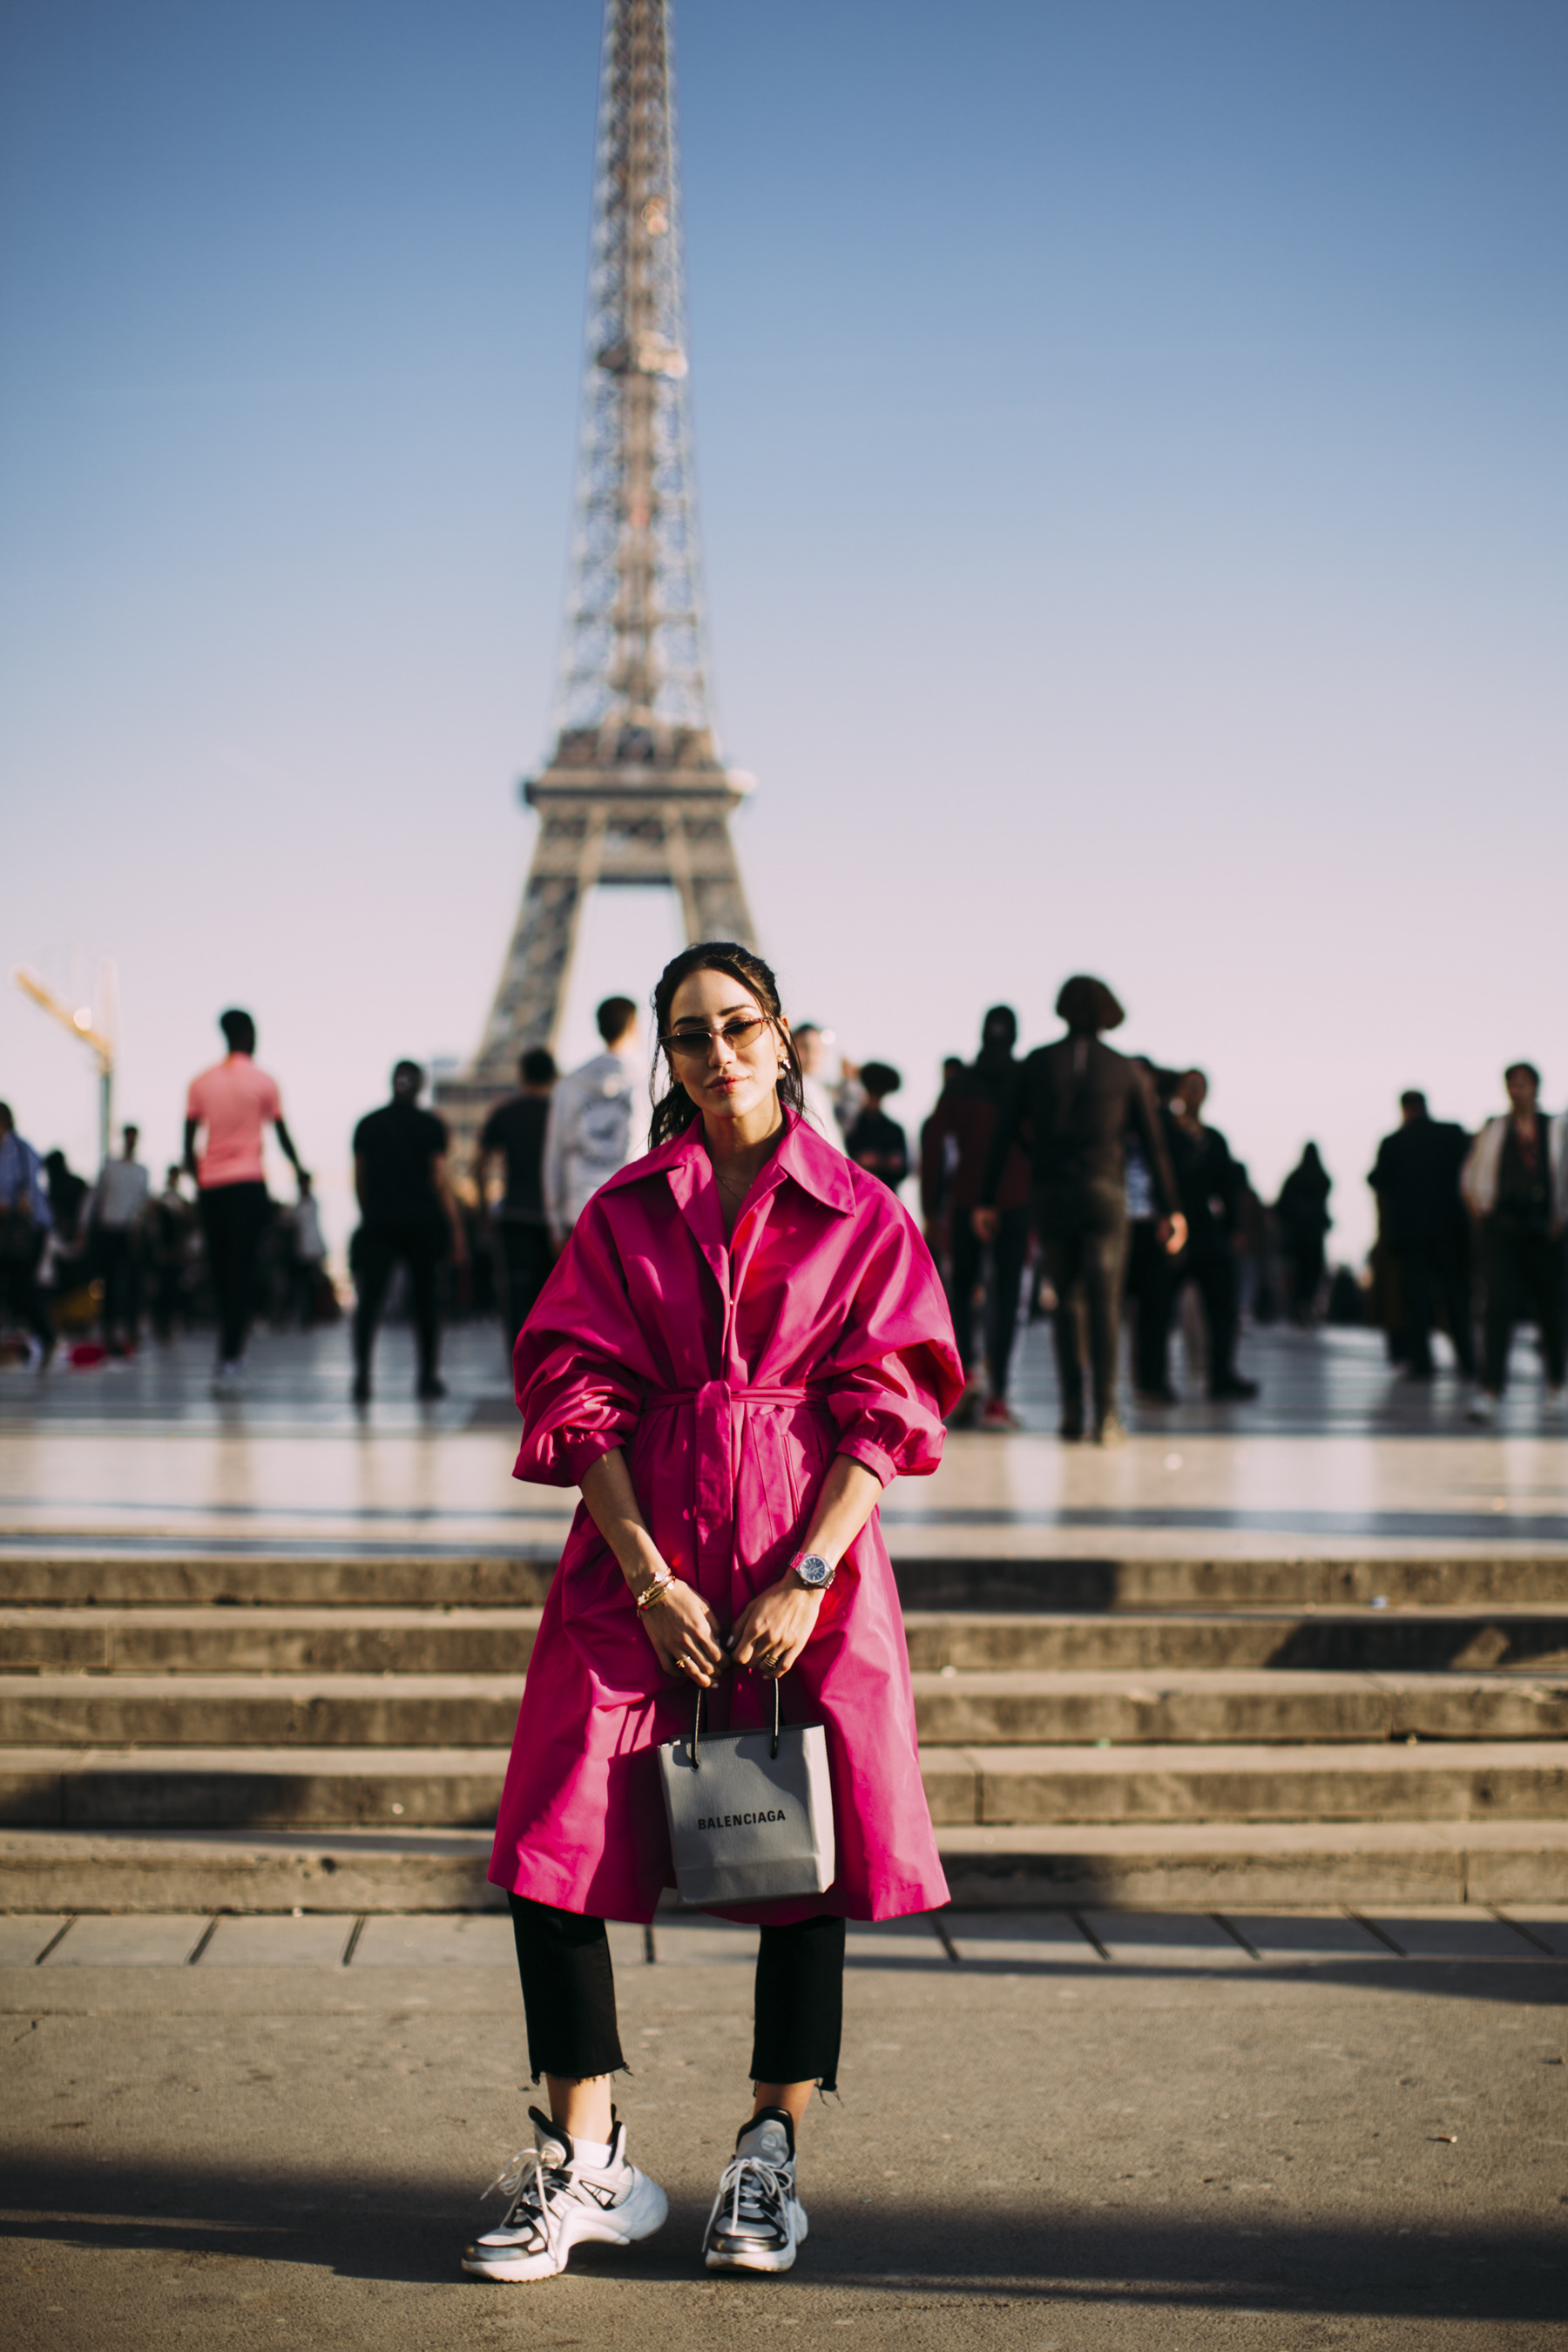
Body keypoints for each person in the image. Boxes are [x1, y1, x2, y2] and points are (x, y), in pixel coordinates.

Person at [467, 940, 962, 2286]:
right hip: (645, 1556)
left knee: (800, 1850)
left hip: (808, 1554)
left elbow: (895, 1403)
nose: (719, 1052)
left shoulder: (863, 1209)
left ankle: (769, 2152)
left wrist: (809, 1573)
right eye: (691, 1035)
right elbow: (573, 1395)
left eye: (740, 1026)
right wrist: (647, 1574)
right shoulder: (626, 1211)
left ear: (785, 1035)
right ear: (668, 1059)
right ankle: (590, 2157)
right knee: (551, 1838)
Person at [976, 976, 1183, 1444]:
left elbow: (1004, 1132)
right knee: (1105, 1303)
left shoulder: (1036, 1064)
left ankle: (1072, 1411)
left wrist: (987, 1198)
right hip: (1104, 1193)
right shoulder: (1124, 1070)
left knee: (1067, 1300)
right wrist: (1172, 1209)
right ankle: (1107, 1414)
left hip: (1050, 1193)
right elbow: (1154, 1146)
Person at [920, 1007, 1032, 1429]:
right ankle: (999, 1396)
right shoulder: (1024, 1080)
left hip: (965, 1203)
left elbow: (934, 1146)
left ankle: (966, 1383)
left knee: (961, 1298)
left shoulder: (961, 1082)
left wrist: (932, 1209)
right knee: (1006, 1303)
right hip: (1017, 1203)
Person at [185, 1009, 307, 1396]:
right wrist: (300, 1169)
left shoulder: (200, 1082)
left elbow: (187, 1144)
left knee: (220, 1272)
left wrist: (199, 1183)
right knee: (245, 1269)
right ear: (248, 1034)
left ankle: (228, 1349)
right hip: (249, 1185)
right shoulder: (264, 1081)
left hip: (213, 1188)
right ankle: (232, 1355)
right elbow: (282, 1134)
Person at [351, 1062, 469, 1403]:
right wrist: (457, 1230)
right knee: (427, 1303)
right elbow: (440, 1180)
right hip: (423, 1222)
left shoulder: (367, 1124)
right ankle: (428, 1377)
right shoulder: (431, 1125)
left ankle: (362, 1377)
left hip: (378, 1223)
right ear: (421, 1087)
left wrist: (369, 1212)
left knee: (369, 1303)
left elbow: (359, 1177)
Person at [1461, 1063, 1567, 1422]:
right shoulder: (1495, 1129)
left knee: (1550, 1308)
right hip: (1503, 1228)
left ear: (1536, 1087)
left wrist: (1561, 1217)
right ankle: (1491, 1388)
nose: (1517, 1091)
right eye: (1512, 1084)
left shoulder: (1554, 1129)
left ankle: (1557, 1382)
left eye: (1524, 1084)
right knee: (1497, 1307)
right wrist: (1480, 1210)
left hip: (1544, 1229)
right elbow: (1471, 1176)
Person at [1368, 1092, 1475, 1382]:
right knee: (1455, 1296)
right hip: (1449, 1231)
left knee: (1416, 1299)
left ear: (1404, 1109)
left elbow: (1377, 1179)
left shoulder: (1394, 1142)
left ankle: (1422, 1362)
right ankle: (1467, 1359)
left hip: (1411, 1234)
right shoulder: (1451, 1134)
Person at [1169, 1072, 1260, 1401]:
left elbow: (1228, 1189)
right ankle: (1156, 1378)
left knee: (1222, 1304)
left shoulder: (1214, 1139)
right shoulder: (1167, 1133)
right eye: (1189, 1087)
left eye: (1199, 1088)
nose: (1194, 1094)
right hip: (1173, 1231)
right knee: (1161, 1306)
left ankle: (1222, 1373)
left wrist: (1234, 1229)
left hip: (1208, 1233)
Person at [476, 1048, 558, 1355]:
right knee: (557, 1291)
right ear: (553, 1076)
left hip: (515, 1214)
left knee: (515, 1293)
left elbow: (480, 1165)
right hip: (554, 1216)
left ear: (522, 1075)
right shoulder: (559, 1113)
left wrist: (486, 1208)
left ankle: (519, 1356)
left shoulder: (505, 1113)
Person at [544, 997, 641, 1245]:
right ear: (633, 1026)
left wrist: (555, 1221)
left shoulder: (569, 1085)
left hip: (581, 1208)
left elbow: (555, 1154)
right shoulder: (654, 1081)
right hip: (637, 1208)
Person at [85, 1124, 150, 1355]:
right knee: (110, 1281)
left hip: (129, 1232)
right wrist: (85, 1227)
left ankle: (129, 1327)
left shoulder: (142, 1171)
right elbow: (95, 1197)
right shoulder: (110, 1168)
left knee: (131, 1282)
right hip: (109, 1230)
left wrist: (138, 1224)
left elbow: (143, 1203)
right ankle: (109, 1326)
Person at [0, 1102, 55, 1369]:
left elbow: (23, 1197)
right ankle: (41, 1337)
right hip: (15, 1231)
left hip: (25, 1231)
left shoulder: (17, 1151)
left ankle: (46, 1336)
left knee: (21, 1289)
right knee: (14, 1289)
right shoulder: (15, 1149)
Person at [1276, 1143, 1334, 1326]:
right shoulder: (1321, 1178)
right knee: (1311, 1275)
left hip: (1298, 1237)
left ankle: (1298, 1308)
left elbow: (1281, 1207)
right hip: (1313, 1238)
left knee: (1299, 1275)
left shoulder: (1294, 1178)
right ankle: (1305, 1307)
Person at [147, 1166, 195, 1342]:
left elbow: (188, 1226)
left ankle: (169, 1324)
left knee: (173, 1290)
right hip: (164, 1253)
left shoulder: (181, 1202)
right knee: (162, 1290)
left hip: (176, 1254)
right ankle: (161, 1324)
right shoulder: (163, 1200)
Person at [843, 1064, 908, 1192]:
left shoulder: (895, 1129)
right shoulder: (851, 1124)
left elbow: (902, 1169)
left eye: (879, 1094)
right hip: (856, 1194)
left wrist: (878, 1162)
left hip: (885, 1195)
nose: (875, 1099)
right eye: (873, 1093)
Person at [791, 1024, 845, 1149]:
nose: (811, 1055)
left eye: (817, 1049)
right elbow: (823, 1143)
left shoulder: (816, 1087)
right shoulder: (801, 1086)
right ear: (790, 1048)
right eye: (805, 1047)